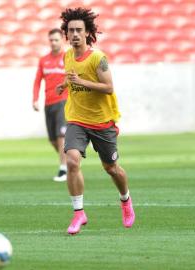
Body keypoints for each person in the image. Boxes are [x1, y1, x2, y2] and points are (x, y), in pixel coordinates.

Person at [57, 7, 135, 235]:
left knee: (111, 168)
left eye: (79, 30)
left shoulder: (98, 58)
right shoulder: (68, 55)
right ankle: (78, 213)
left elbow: (108, 88)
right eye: (70, 30)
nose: (74, 34)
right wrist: (66, 84)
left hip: (102, 122)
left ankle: (125, 200)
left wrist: (81, 80)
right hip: (77, 119)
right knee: (71, 161)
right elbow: (73, 78)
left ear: (87, 32)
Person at [32, 28, 68, 182]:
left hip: (63, 102)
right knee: (53, 140)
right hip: (48, 103)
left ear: (62, 40)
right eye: (51, 40)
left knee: (61, 137)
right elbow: (37, 80)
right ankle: (70, 160)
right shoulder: (43, 60)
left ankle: (63, 169)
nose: (53, 42)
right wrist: (35, 99)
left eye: (56, 40)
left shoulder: (68, 58)